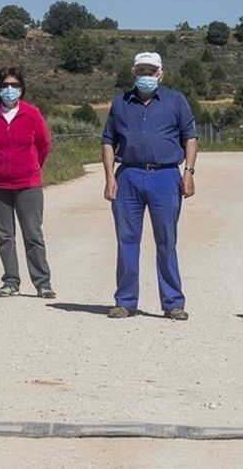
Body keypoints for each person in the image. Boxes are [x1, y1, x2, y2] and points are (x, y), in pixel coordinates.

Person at [101, 52, 198, 320]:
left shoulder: (176, 101)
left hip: (166, 176)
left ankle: (173, 302)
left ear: (161, 74)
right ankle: (125, 301)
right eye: (141, 71)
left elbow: (190, 137)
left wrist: (188, 172)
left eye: (151, 71)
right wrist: (109, 177)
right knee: (127, 240)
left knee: (166, 240)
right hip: (129, 175)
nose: (146, 76)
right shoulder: (121, 103)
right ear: (134, 74)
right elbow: (108, 141)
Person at [0, 67, 55, 299]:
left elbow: (43, 144)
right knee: (4, 236)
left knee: (32, 234)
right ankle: (11, 281)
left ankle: (42, 283)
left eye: (14, 85)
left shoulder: (32, 114)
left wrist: (30, 166)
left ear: (22, 89)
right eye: (5, 85)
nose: (9, 90)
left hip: (27, 183)